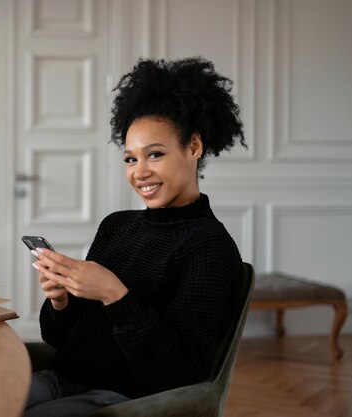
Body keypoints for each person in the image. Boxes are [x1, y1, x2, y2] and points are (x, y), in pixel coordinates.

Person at [24, 56, 248, 417]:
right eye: (130, 159)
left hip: (126, 399)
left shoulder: (210, 248)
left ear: (193, 147)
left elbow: (182, 372)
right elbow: (63, 340)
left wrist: (115, 294)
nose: (140, 172)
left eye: (154, 155)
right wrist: (61, 302)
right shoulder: (116, 226)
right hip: (61, 378)